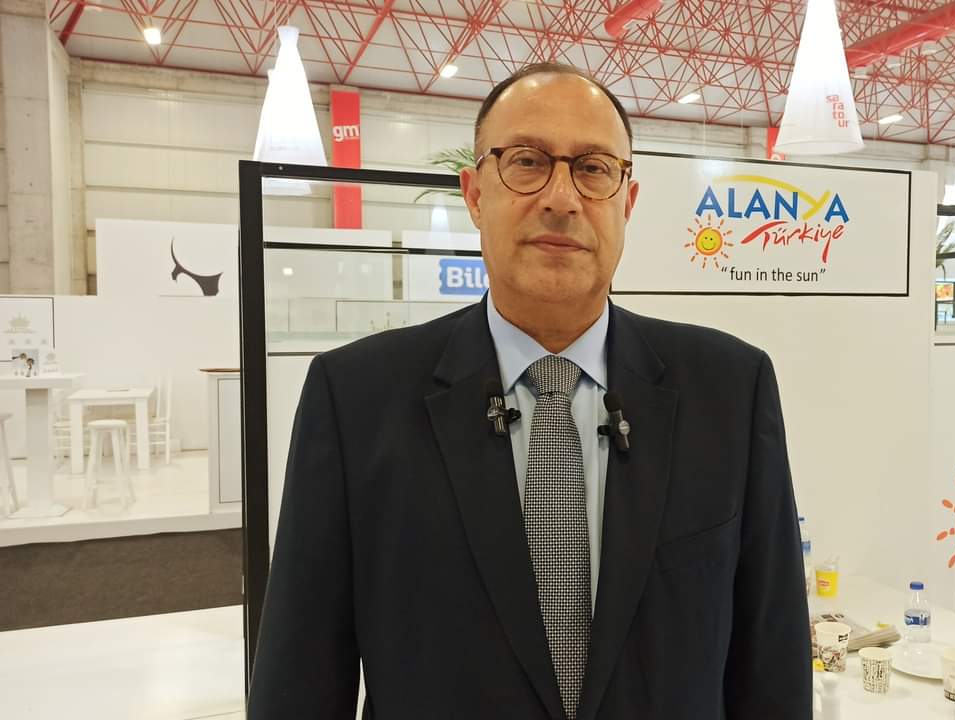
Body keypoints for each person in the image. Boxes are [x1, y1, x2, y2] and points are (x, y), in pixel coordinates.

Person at [247, 63, 810, 720]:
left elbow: (771, 665)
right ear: (474, 193)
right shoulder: (355, 399)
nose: (562, 198)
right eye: (527, 162)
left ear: (627, 203)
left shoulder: (731, 390)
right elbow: (300, 680)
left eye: (593, 169)